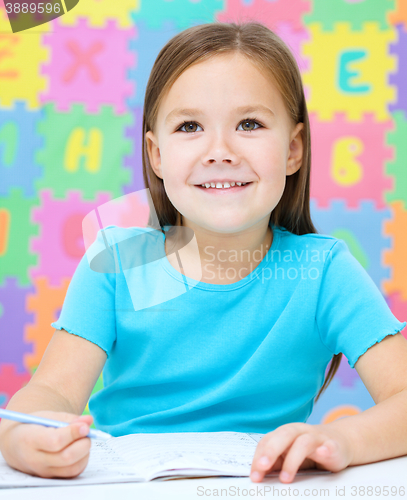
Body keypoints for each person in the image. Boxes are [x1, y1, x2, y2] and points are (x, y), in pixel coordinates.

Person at [0, 21, 406, 485]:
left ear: (293, 149)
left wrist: (343, 440)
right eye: (190, 126)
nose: (220, 151)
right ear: (156, 154)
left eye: (249, 124)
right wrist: (23, 436)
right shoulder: (119, 260)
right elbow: (51, 389)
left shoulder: (323, 271)